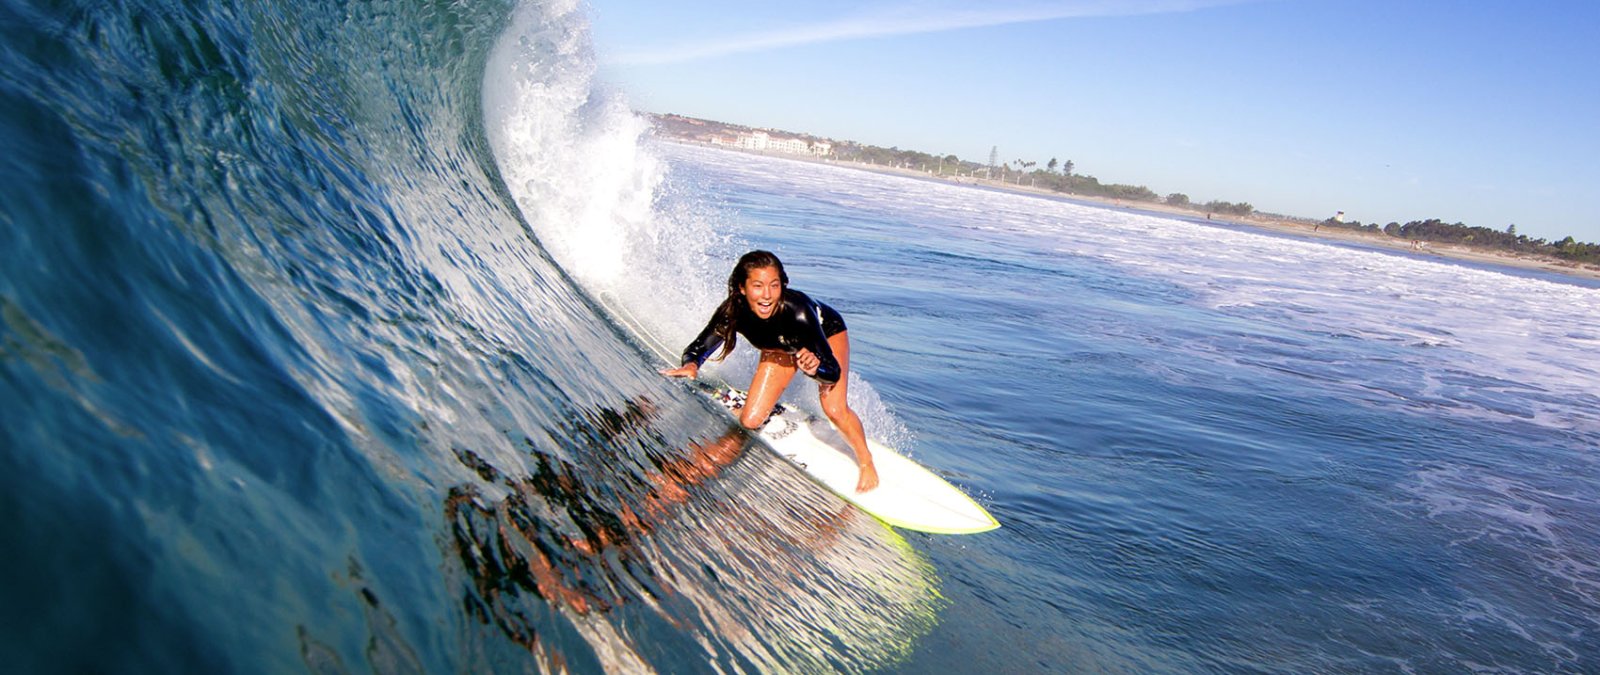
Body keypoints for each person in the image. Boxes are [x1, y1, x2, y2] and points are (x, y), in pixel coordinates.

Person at [661, 250, 879, 492]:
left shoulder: (798, 311)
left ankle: (866, 461)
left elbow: (832, 372)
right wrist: (691, 365)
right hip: (779, 348)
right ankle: (769, 406)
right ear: (742, 288)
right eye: (758, 286)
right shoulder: (733, 311)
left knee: (834, 408)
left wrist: (816, 368)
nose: (767, 295)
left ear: (782, 286)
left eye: (774, 286)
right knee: (750, 420)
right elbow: (700, 347)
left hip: (826, 335)